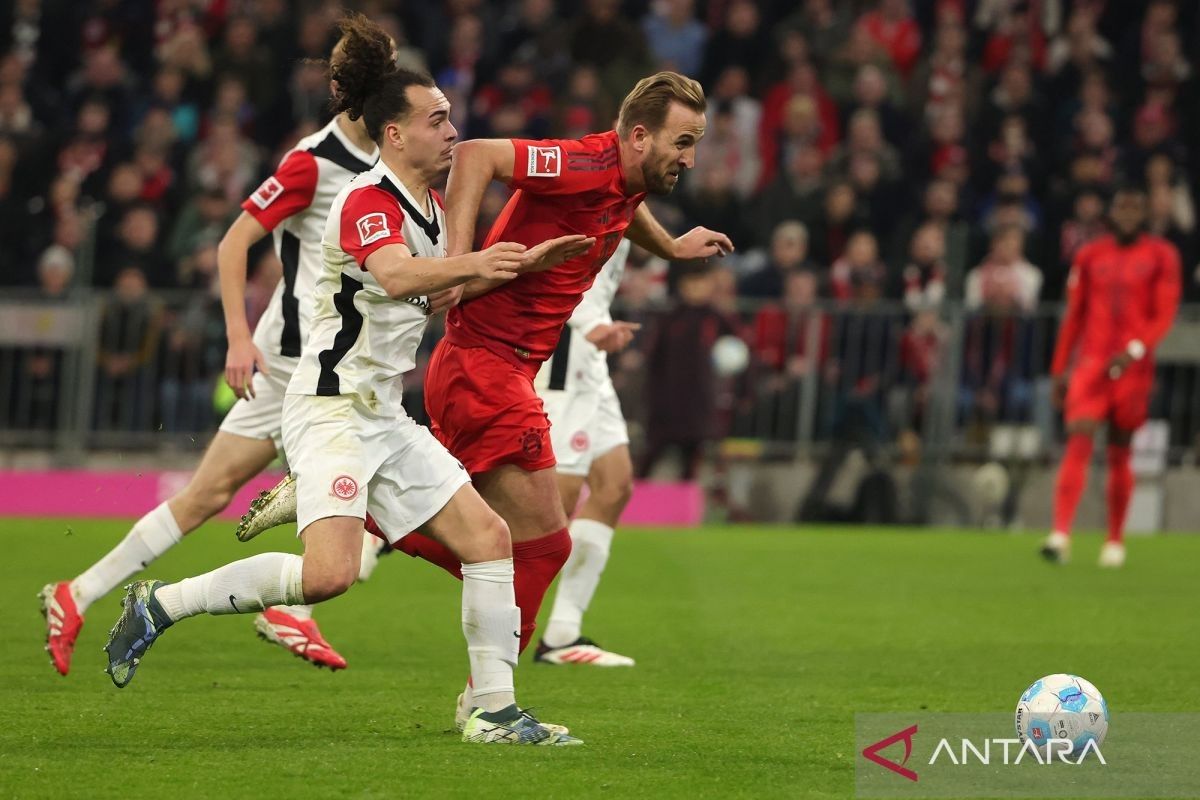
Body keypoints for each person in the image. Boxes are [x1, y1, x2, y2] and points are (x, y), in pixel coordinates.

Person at [101, 29, 586, 746]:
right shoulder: (366, 200)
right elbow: (395, 276)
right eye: (437, 120)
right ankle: (160, 603)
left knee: (490, 539)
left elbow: (436, 296)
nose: (453, 131)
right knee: (328, 577)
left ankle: (493, 711)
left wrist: (519, 265)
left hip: (383, 416)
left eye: (451, 117)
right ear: (395, 133)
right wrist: (479, 261)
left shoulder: (427, 208)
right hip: (329, 413)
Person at [236, 71, 731, 726]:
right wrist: (462, 260)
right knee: (540, 546)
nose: (691, 158)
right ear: (639, 136)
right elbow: (479, 155)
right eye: (684, 141)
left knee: (504, 541)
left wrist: (669, 246)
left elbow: (619, 204)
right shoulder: (581, 162)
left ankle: (360, 511)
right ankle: (486, 699)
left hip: (504, 370)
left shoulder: (620, 179)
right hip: (485, 368)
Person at [39, 16, 385, 676]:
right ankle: (286, 595)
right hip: (295, 361)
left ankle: (76, 593)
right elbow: (233, 242)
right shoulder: (311, 162)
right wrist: (236, 337)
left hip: (335, 359)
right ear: (352, 88)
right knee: (370, 484)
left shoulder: (386, 160)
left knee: (215, 494)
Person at [1043, 186, 1181, 568]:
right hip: (1091, 365)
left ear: (1144, 214)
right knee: (1078, 439)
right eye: (1122, 206)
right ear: (1112, 211)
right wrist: (1059, 368)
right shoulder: (1090, 255)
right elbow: (1075, 315)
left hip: (1133, 370)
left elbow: (1164, 314)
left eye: (1135, 207)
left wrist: (1135, 350)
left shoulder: (1162, 256)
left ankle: (1115, 539)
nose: (1128, 214)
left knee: (1120, 451)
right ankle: (1060, 534)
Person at [534, 239, 637, 667]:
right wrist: (591, 321)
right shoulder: (590, 185)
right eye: (679, 162)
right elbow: (555, 264)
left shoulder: (628, 197)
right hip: (565, 359)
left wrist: (672, 246)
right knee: (548, 513)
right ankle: (398, 531)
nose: (683, 166)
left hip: (591, 364)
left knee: (615, 486)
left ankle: (562, 635)